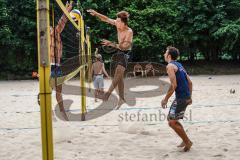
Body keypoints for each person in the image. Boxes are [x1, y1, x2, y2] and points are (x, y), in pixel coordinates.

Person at [87, 9, 133, 107]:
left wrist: (111, 43)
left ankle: (107, 94)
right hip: (119, 51)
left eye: (119, 21)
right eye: (116, 20)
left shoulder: (129, 32)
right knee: (119, 77)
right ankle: (122, 98)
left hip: (126, 52)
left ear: (124, 23)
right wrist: (96, 13)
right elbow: (106, 19)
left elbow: (124, 46)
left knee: (118, 73)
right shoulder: (117, 23)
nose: (116, 22)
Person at [161, 46, 193, 152]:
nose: (164, 54)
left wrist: (165, 99)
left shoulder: (170, 66)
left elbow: (173, 85)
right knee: (173, 120)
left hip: (181, 98)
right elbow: (190, 82)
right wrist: (190, 97)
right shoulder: (178, 65)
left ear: (169, 55)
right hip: (185, 96)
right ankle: (185, 140)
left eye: (165, 53)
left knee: (172, 122)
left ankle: (187, 141)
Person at [50, 1, 73, 120]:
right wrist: (67, 11)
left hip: (56, 66)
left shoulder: (55, 35)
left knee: (59, 91)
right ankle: (51, 112)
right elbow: (61, 23)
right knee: (49, 91)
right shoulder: (53, 33)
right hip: (50, 66)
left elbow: (60, 25)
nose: (50, 29)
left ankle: (62, 111)